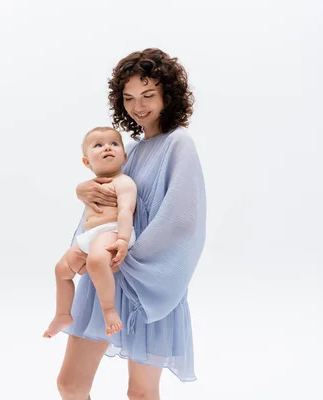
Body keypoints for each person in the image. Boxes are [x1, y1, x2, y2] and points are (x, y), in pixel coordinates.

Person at [55, 48, 206, 400]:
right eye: (129, 98)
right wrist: (84, 189)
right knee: (71, 385)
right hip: (106, 273)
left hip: (146, 283)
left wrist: (130, 258)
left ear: (168, 95)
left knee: (140, 393)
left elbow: (182, 221)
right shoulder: (131, 150)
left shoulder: (179, 144)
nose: (138, 106)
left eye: (148, 95)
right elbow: (108, 200)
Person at [43, 127, 137, 339]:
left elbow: (125, 210)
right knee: (61, 269)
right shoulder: (90, 186)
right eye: (98, 145)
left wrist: (122, 239)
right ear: (87, 162)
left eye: (114, 144)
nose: (107, 148)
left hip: (113, 231)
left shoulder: (123, 182)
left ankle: (108, 309)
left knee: (96, 261)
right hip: (92, 235)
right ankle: (62, 314)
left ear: (124, 156)